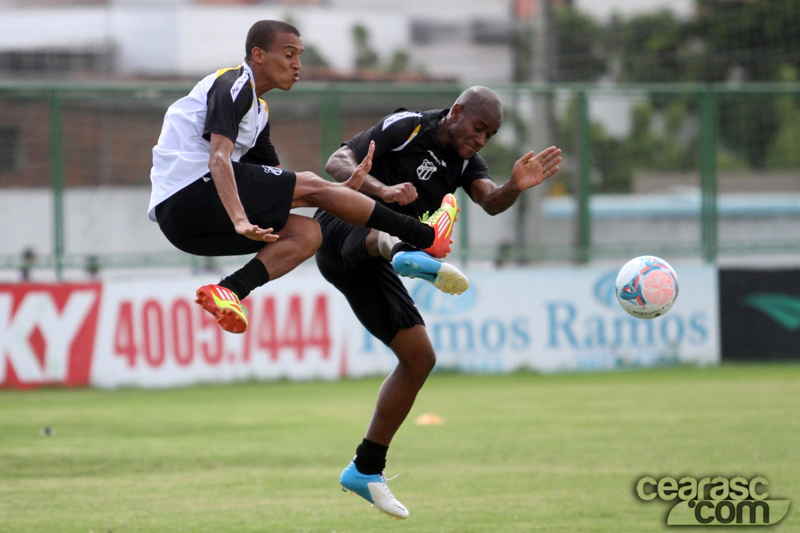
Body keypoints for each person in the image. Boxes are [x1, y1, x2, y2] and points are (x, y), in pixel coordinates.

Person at [315, 86, 562, 519]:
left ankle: (365, 469)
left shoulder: (466, 161)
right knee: (398, 235)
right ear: (457, 112)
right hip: (340, 228)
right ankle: (407, 250)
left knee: (420, 358)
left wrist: (516, 187)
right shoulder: (409, 125)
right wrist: (383, 189)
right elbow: (337, 162)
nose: (482, 139)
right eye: (479, 128)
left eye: (491, 134)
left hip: (376, 258)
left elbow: (489, 201)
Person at [148, 20, 459, 334]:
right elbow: (218, 158)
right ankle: (425, 236)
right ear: (257, 54)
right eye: (288, 55)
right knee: (310, 182)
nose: (297, 65)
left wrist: (339, 190)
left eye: (299, 56)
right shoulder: (233, 83)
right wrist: (242, 219)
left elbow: (281, 188)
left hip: (184, 229)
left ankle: (230, 290)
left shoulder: (258, 112)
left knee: (309, 233)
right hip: (188, 194)